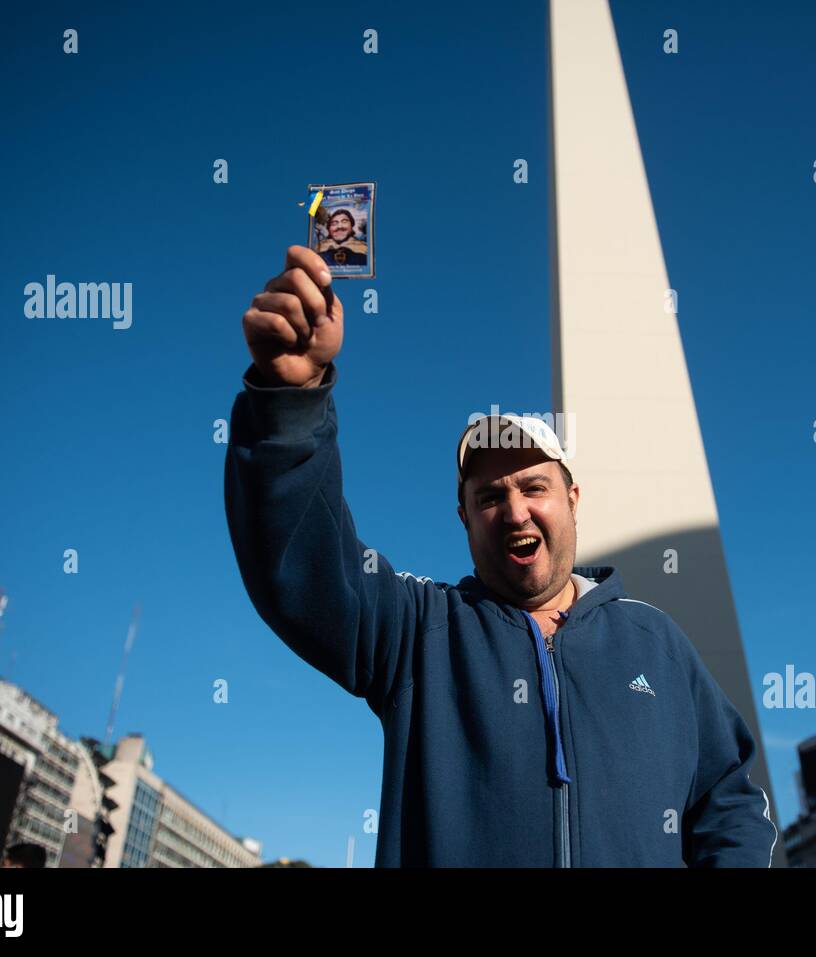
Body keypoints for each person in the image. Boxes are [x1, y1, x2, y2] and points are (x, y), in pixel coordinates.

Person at [224, 245, 778, 867]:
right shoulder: (417, 629)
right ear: (465, 519)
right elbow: (302, 565)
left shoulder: (658, 642)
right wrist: (287, 402)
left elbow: (729, 801)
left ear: (572, 499)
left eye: (534, 487)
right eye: (490, 496)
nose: (515, 511)